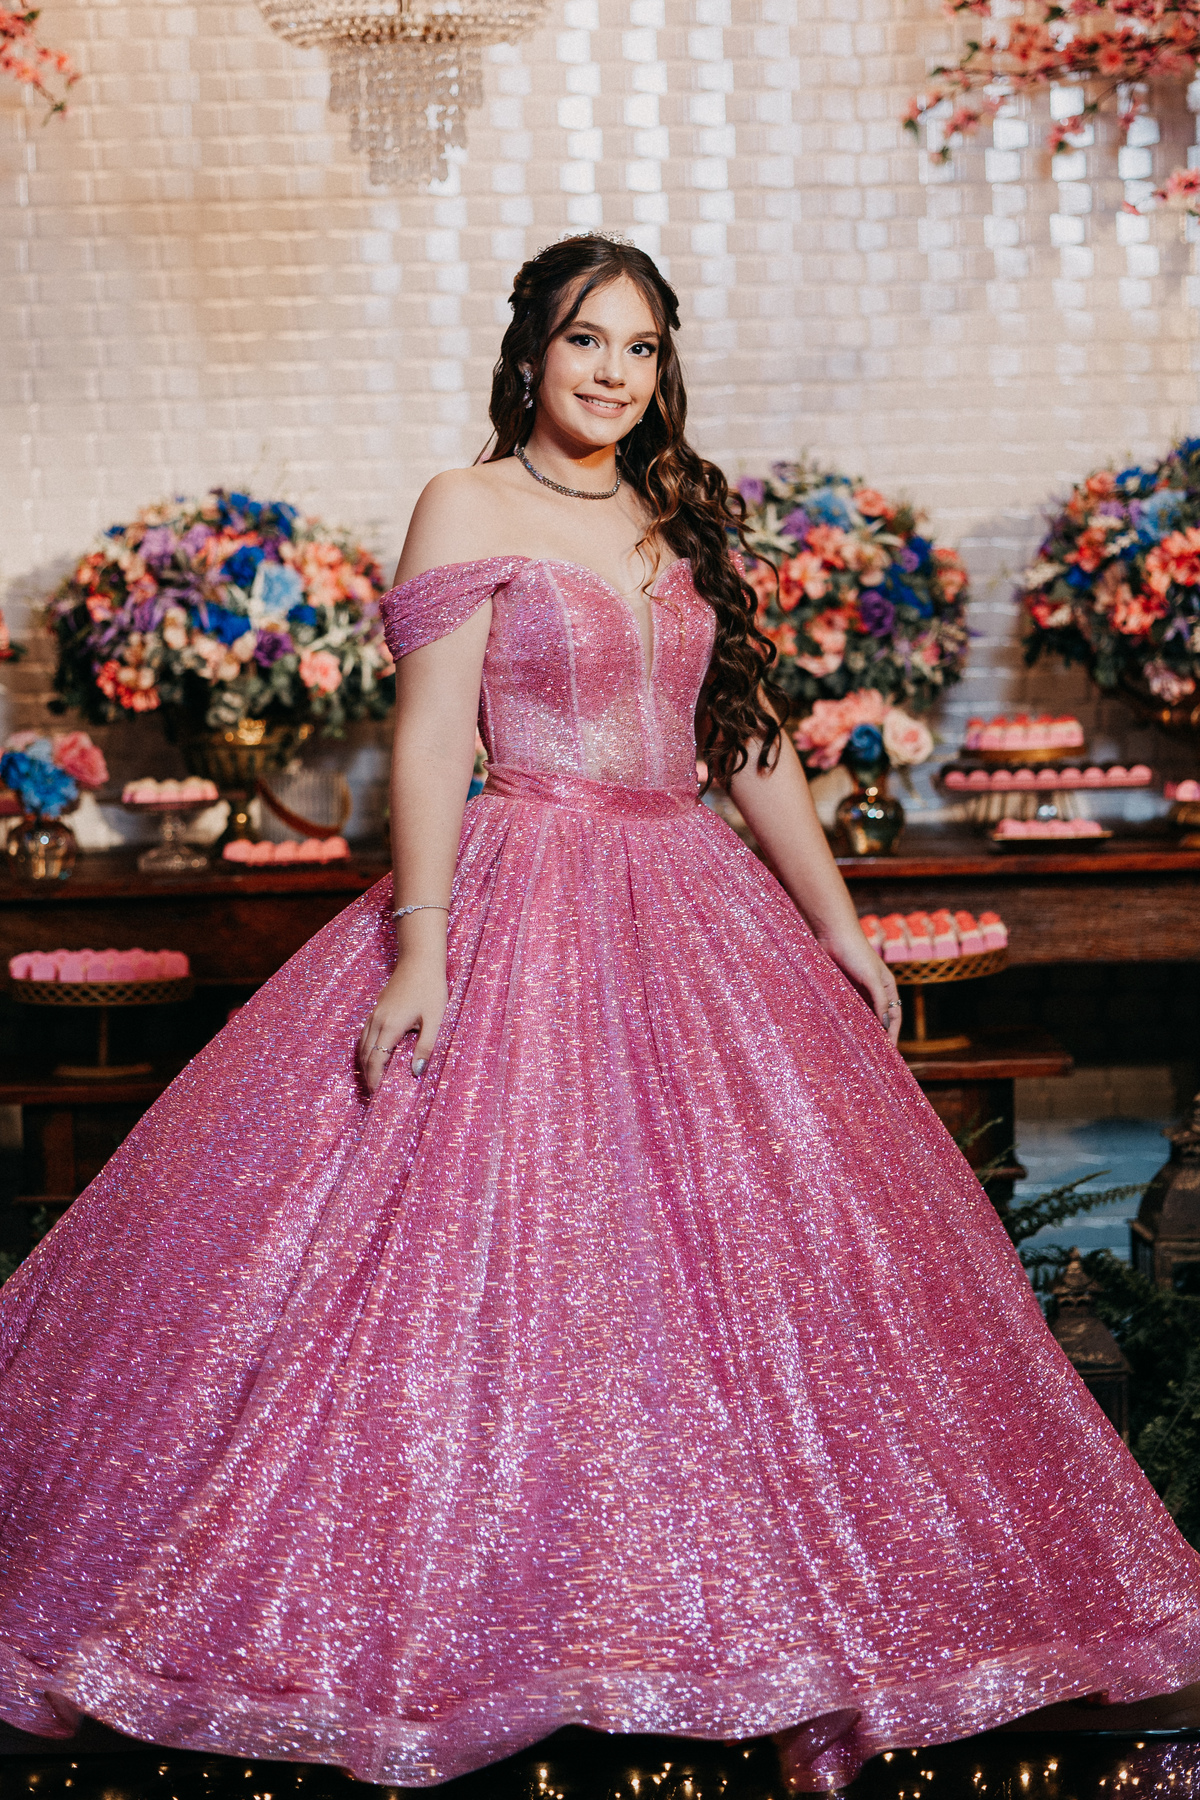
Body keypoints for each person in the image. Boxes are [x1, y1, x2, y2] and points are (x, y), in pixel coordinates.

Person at [1, 234, 1198, 1797]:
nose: (614, 372)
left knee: (747, 1259)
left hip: (690, 894)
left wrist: (837, 923)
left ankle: (744, 1624)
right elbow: (432, 739)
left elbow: (746, 734)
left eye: (639, 347)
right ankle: (501, 1621)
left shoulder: (680, 511)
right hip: (524, 881)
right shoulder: (467, 502)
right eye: (586, 341)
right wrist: (420, 948)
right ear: (530, 353)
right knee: (487, 1252)